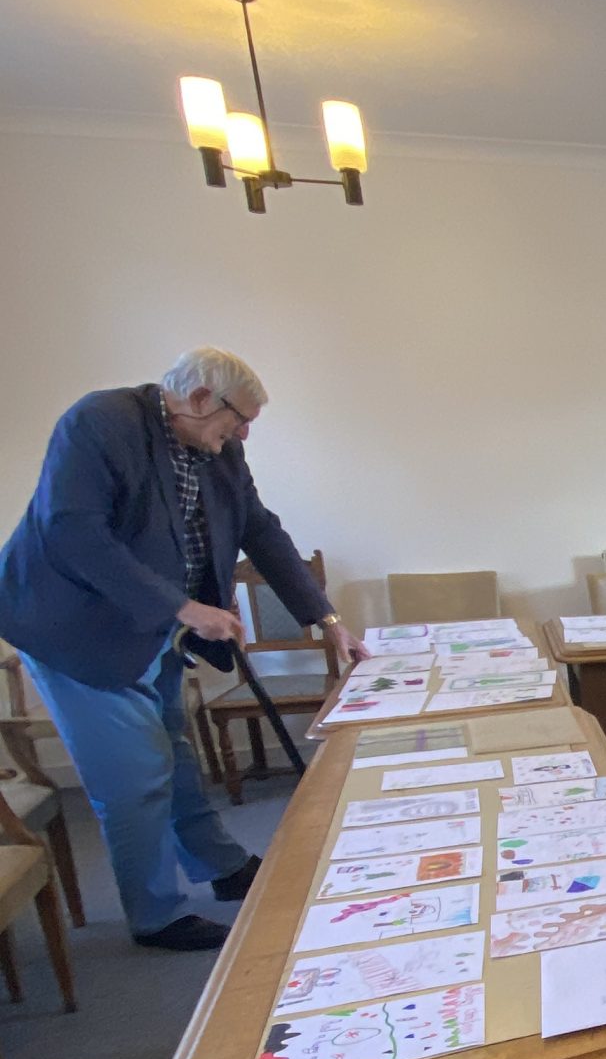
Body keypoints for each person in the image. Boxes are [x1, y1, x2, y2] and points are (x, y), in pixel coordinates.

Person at [0, 348, 366, 951]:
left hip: (154, 629)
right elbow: (73, 532)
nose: (243, 434)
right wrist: (183, 608)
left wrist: (324, 619)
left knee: (174, 751)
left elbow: (261, 529)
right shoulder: (100, 423)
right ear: (200, 398)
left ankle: (220, 866)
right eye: (238, 419)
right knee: (136, 774)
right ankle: (154, 914)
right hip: (77, 629)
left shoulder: (217, 447)